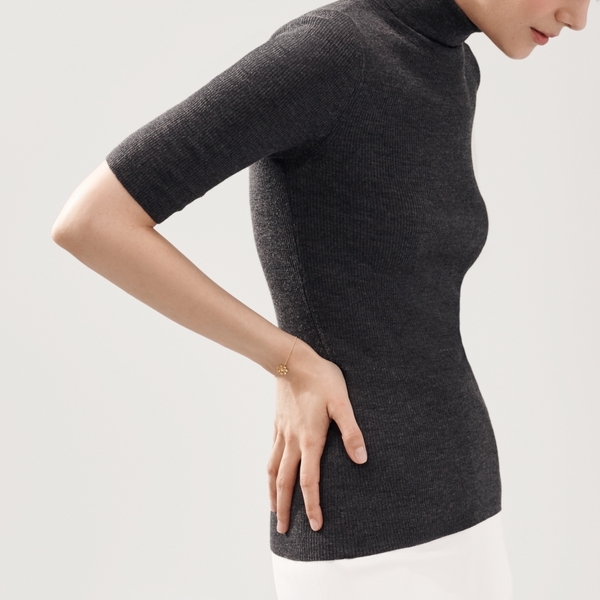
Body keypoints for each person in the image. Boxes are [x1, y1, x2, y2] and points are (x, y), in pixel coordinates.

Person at [51, 0, 591, 598]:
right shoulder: (333, 53)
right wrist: (288, 359)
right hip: (365, 530)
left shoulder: (455, 66)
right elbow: (94, 221)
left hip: (468, 506)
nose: (578, 17)